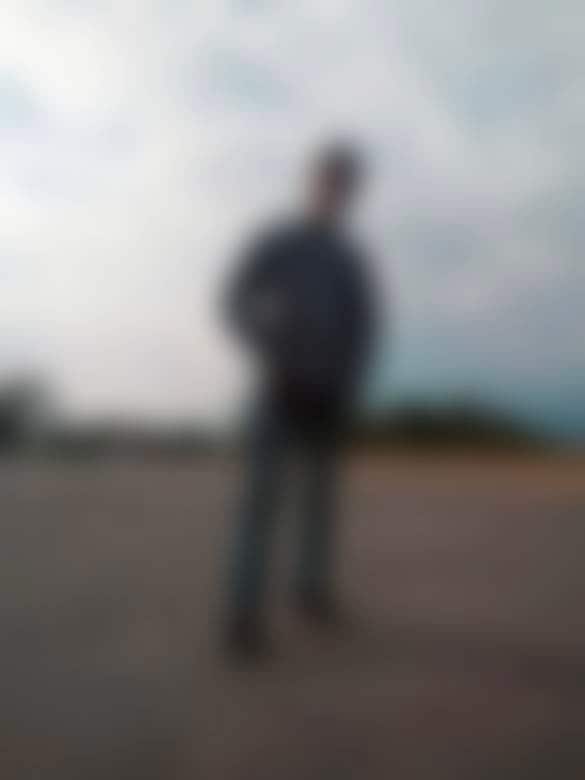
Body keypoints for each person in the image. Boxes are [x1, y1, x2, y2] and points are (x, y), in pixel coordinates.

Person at [223, 142, 376, 660]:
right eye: (329, 181)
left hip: (328, 397)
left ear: (350, 194)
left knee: (320, 503)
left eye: (345, 185)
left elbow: (363, 327)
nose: (336, 192)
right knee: (261, 503)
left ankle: (311, 590)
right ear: (313, 183)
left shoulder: (349, 260)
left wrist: (347, 382)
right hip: (279, 389)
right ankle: (242, 614)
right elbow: (235, 299)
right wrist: (271, 351)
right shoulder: (280, 241)